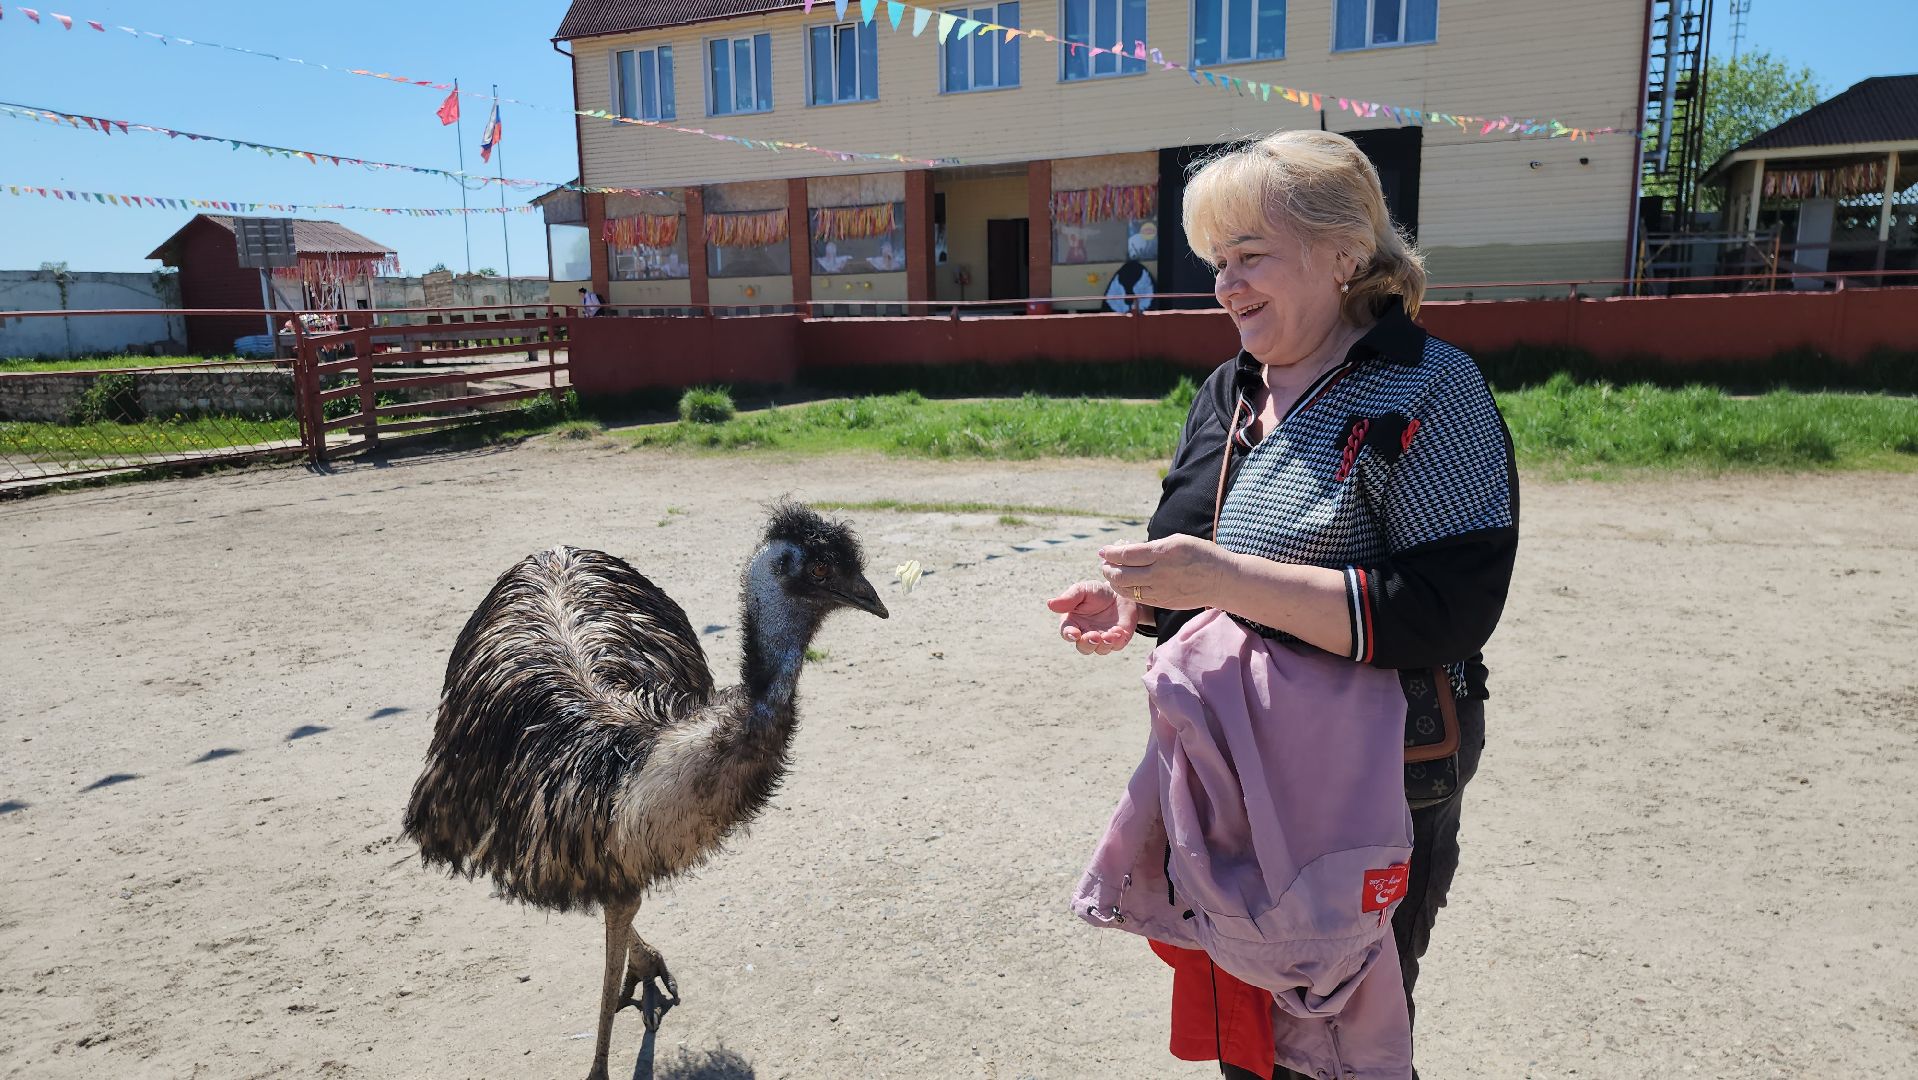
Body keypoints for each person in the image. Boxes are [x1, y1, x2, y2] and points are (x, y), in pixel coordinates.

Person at [1048, 130, 1517, 1079]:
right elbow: (1193, 541)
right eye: (1219, 261)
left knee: (1345, 1035)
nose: (1226, 284)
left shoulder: (1428, 386)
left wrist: (1224, 582)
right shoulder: (1229, 388)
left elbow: (1448, 607)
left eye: (1251, 255)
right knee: (1253, 1029)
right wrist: (1136, 600)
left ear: (1344, 254)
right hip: (1236, 758)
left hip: (1378, 768)